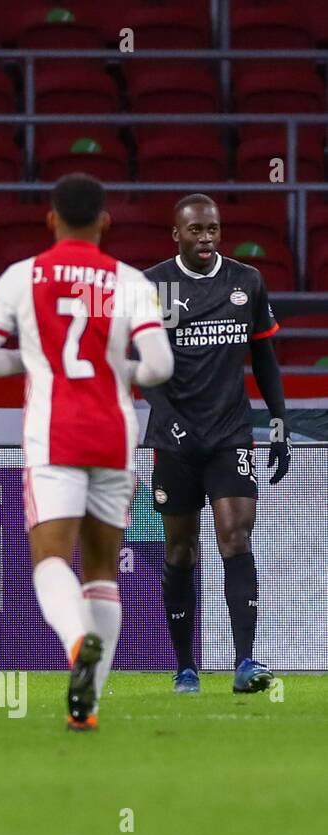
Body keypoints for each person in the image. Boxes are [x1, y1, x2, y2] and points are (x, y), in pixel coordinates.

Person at [0, 173, 175, 730]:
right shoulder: (131, 280)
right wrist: (121, 369)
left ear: (50, 218)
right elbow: (159, 367)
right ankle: (88, 707)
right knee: (102, 570)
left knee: (52, 558)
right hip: (115, 432)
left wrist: (34, 360)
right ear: (106, 221)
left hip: (54, 433)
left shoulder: (22, 276)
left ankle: (76, 638)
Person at [142, 194, 289, 694]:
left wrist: (279, 419)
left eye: (213, 230)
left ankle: (246, 662)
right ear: (176, 234)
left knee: (236, 537)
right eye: (196, 230)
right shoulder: (154, 285)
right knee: (181, 551)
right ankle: (186, 667)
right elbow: (144, 366)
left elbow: (265, 356)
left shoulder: (246, 281)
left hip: (230, 433)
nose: (206, 239)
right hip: (174, 439)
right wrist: (170, 420)